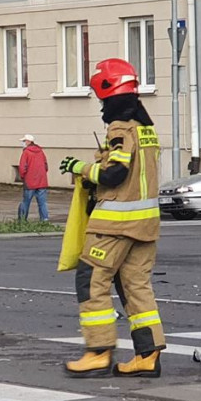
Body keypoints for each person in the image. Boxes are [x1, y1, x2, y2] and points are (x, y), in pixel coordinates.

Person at [59, 58, 165, 377]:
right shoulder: (146, 128)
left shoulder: (120, 127)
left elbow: (115, 174)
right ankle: (147, 356)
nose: (100, 102)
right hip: (146, 225)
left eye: (100, 95)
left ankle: (98, 351)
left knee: (90, 280)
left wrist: (82, 168)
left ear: (108, 91)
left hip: (115, 224)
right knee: (136, 286)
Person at [17, 134, 49, 222]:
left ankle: (22, 220)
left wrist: (23, 177)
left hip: (30, 182)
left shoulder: (26, 152)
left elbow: (22, 167)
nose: (23, 143)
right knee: (42, 203)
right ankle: (45, 219)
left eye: (24, 141)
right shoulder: (41, 151)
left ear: (28, 142)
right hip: (42, 181)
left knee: (26, 202)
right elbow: (46, 166)